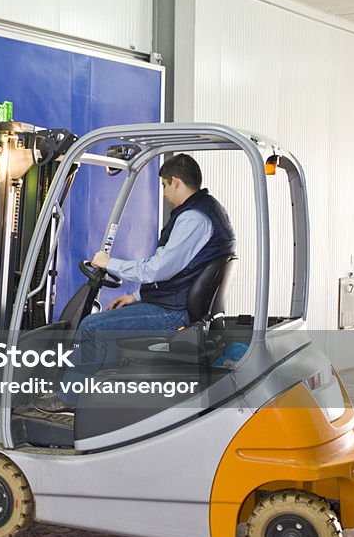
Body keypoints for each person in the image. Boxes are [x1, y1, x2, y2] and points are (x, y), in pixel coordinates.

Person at [33, 153, 236, 413]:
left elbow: (158, 269)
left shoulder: (193, 218)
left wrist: (109, 263)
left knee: (91, 326)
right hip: (178, 302)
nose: (163, 193)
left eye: (164, 185)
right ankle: (97, 398)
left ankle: (68, 399)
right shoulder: (210, 209)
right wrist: (137, 298)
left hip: (174, 312)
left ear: (175, 182)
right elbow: (183, 270)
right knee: (109, 324)